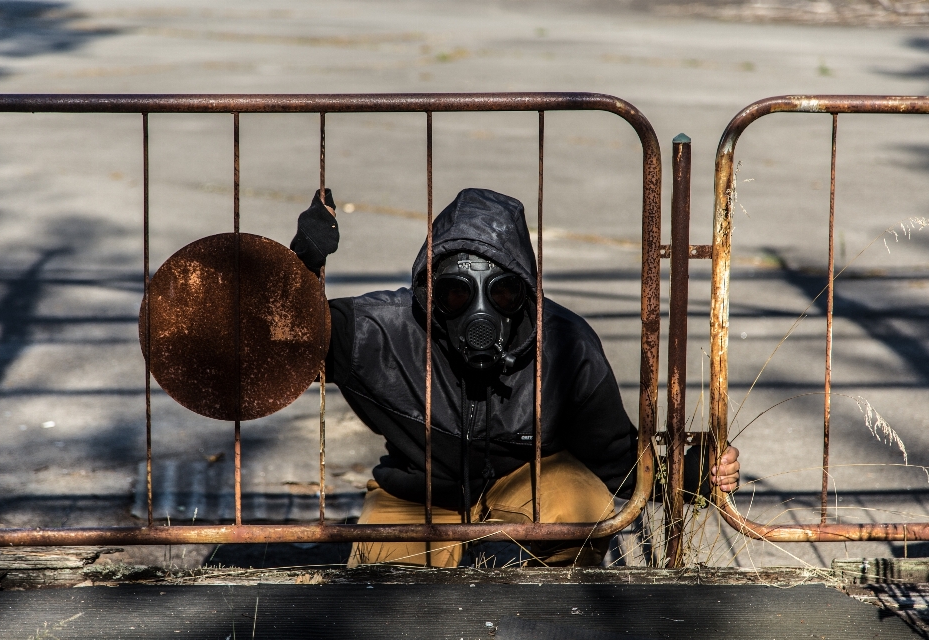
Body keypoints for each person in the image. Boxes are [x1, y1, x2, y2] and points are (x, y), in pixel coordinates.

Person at [290, 187, 740, 567]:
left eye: (502, 293)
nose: (479, 315)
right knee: (390, 588)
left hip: (527, 475)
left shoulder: (565, 346)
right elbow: (278, 351)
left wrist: (699, 474)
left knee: (585, 511)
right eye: (455, 294)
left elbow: (616, 459)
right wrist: (298, 273)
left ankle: (559, 615)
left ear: (524, 294)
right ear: (430, 295)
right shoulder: (380, 332)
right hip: (418, 487)